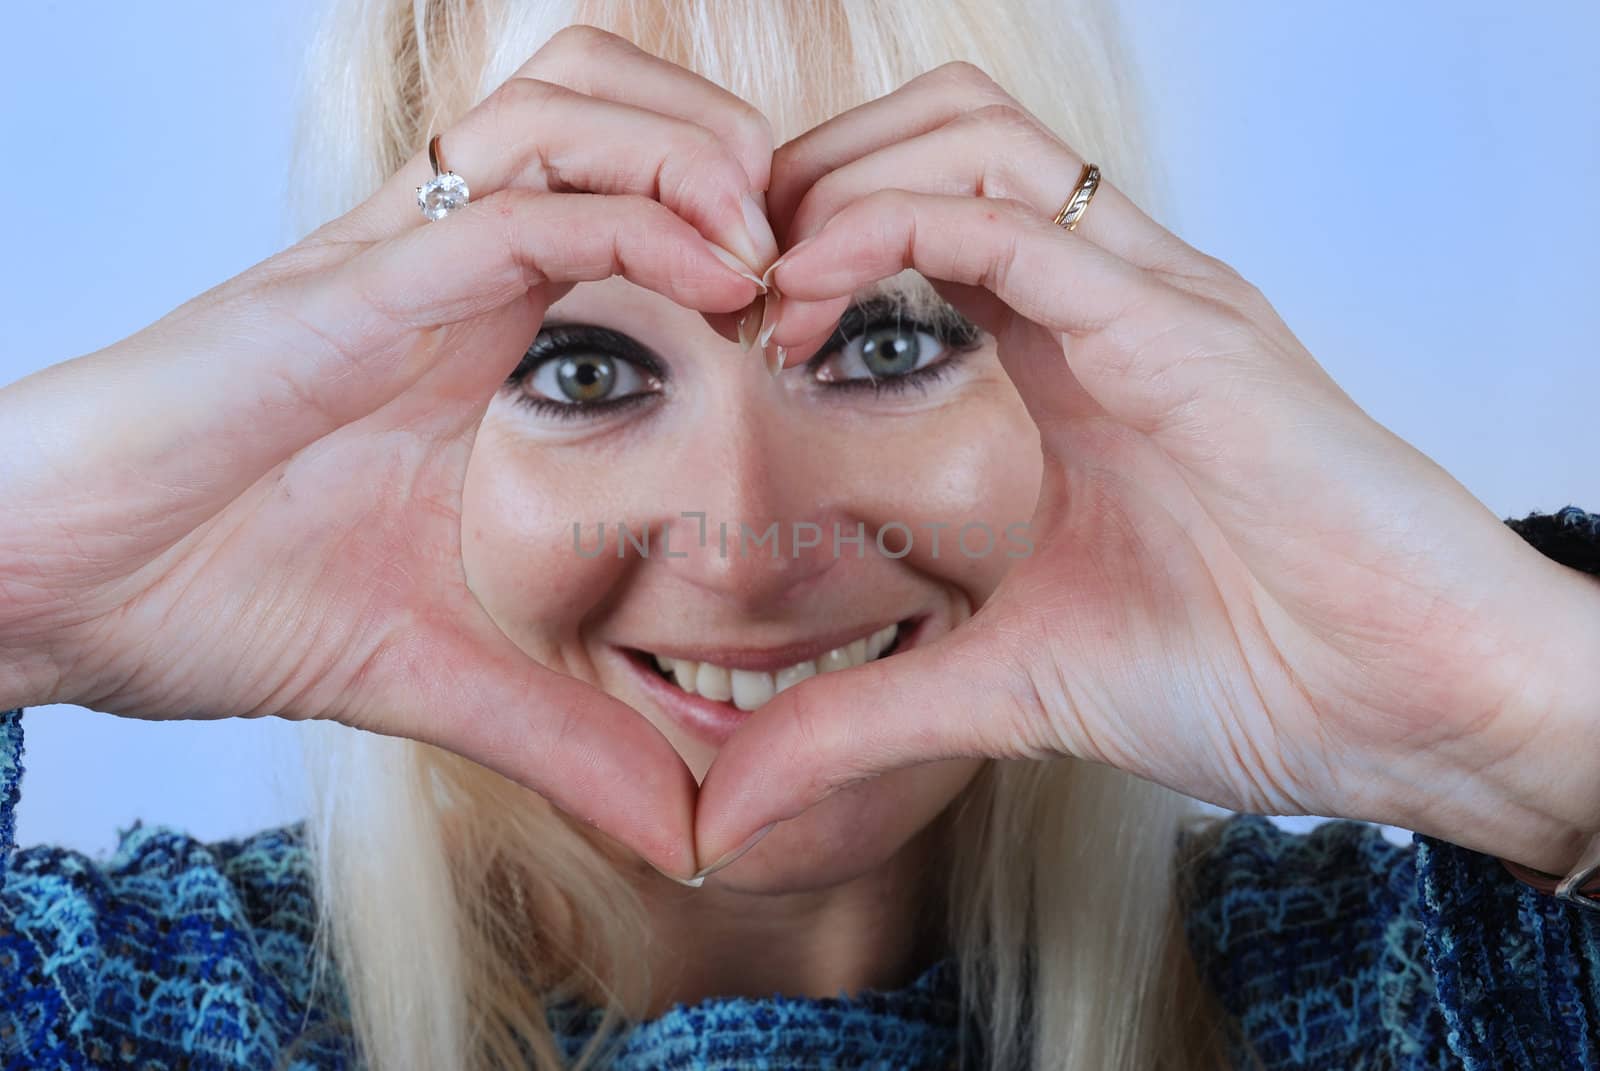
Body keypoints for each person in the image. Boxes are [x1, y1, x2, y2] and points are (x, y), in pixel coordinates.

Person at [2, 1, 1597, 1069]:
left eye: (890, 342)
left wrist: (1536, 728)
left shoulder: (1430, 1000)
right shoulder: (100, 1007)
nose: (750, 540)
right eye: (579, 363)